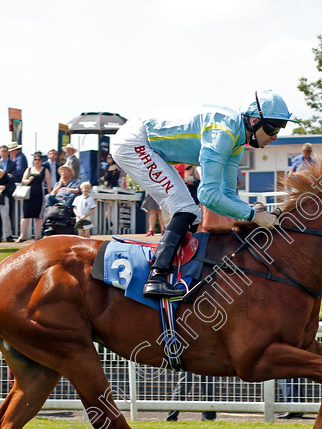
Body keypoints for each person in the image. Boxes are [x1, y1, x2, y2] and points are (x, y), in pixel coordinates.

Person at [111, 89, 288, 298]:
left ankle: (186, 271)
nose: (275, 135)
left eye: (280, 128)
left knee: (192, 213)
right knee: (186, 208)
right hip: (134, 142)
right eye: (272, 127)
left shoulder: (237, 141)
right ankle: (156, 277)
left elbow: (228, 194)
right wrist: (255, 216)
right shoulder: (223, 133)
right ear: (253, 120)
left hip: (145, 142)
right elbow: (208, 195)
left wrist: (252, 213)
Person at [18, 152, 52, 242]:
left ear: (41, 161)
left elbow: (49, 183)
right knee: (25, 215)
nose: (37, 161)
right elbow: (23, 181)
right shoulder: (28, 169)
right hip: (28, 195)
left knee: (38, 216)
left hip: (39, 195)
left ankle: (37, 236)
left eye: (39, 160)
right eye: (35, 160)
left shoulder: (45, 170)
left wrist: (50, 193)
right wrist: (28, 180)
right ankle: (22, 236)